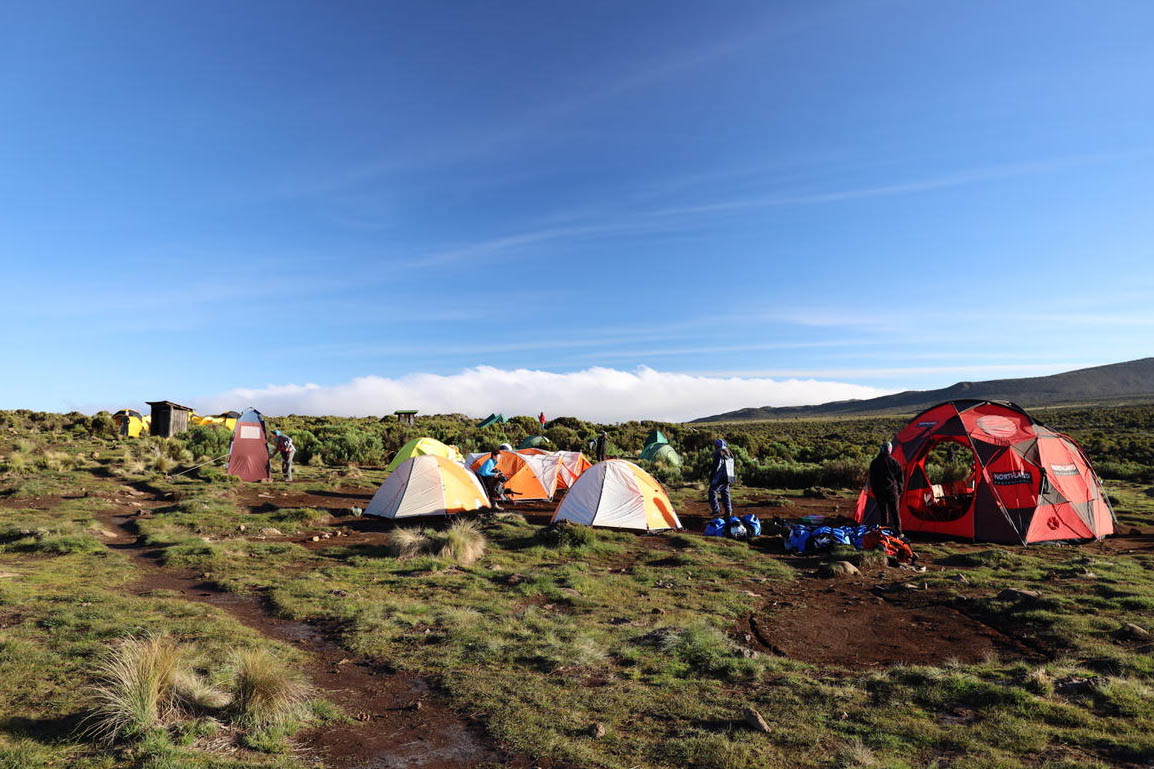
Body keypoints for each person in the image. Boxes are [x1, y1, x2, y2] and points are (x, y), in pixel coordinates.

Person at [869, 441, 904, 536]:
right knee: (895, 513)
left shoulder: (875, 462)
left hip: (880, 492)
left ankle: (884, 533)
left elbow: (872, 479)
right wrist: (899, 490)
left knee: (884, 514)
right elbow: (900, 478)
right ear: (890, 450)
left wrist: (875, 491)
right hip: (893, 491)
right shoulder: (894, 462)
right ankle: (898, 532)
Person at [708, 439, 735, 518]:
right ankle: (728, 511)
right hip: (729, 476)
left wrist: (712, 476)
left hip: (720, 476)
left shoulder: (719, 453)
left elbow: (717, 466)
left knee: (712, 491)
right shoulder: (729, 452)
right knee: (725, 493)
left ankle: (716, 511)